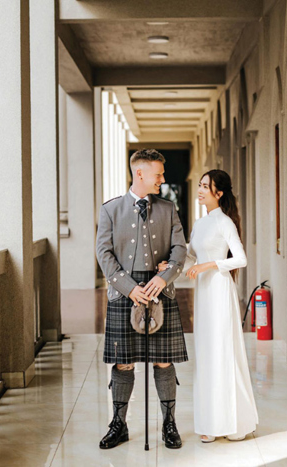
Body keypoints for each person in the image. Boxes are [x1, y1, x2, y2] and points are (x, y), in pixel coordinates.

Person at [95, 148, 188, 450]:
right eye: (158, 173)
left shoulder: (168, 208)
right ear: (140, 174)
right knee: (123, 362)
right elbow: (104, 254)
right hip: (126, 292)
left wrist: (163, 278)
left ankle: (169, 424)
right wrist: (127, 286)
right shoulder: (110, 210)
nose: (163, 178)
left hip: (160, 289)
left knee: (164, 361)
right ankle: (118, 424)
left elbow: (179, 249)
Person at [159, 169, 258, 443]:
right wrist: (169, 265)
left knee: (222, 353)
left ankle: (234, 422)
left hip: (219, 291)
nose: (200, 190)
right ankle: (211, 423)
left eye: (206, 186)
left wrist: (211, 264)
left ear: (219, 193)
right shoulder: (201, 223)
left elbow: (240, 259)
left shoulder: (225, 222)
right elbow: (190, 258)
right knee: (207, 354)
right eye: (200, 185)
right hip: (204, 293)